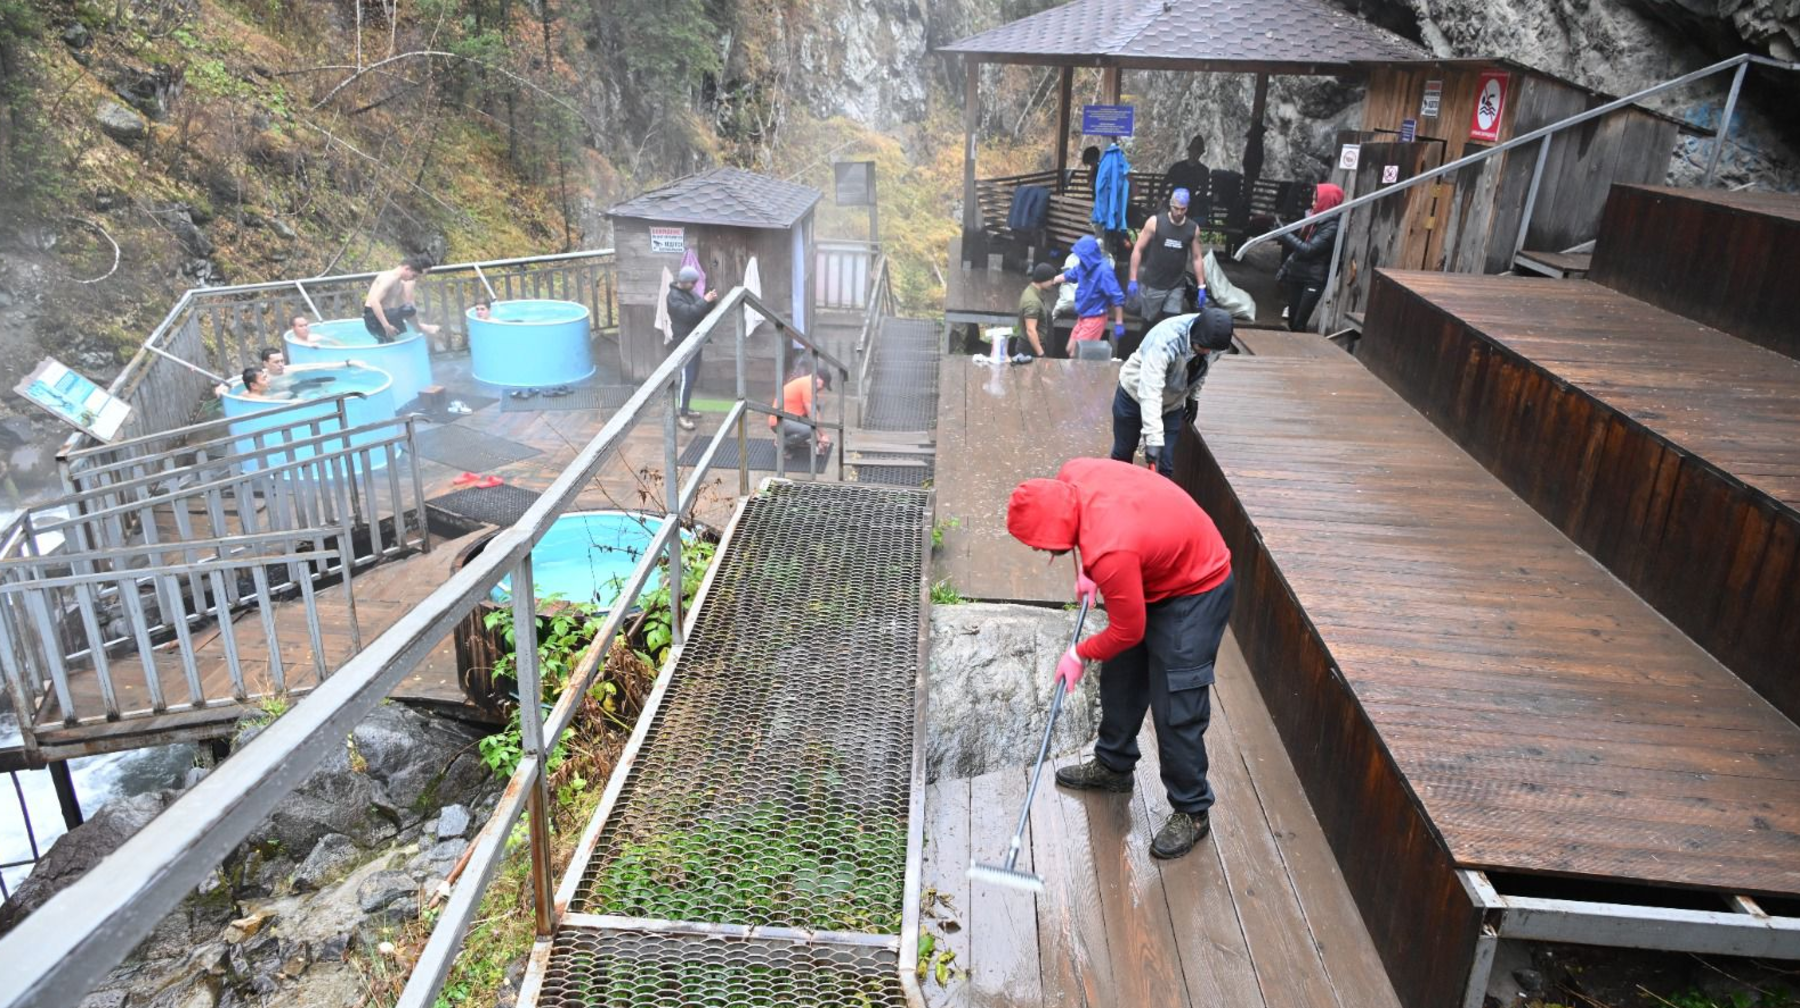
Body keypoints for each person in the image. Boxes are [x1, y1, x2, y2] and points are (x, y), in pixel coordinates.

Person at [1006, 457, 1235, 860]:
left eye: (1042, 545)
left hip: (1197, 585)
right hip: (1151, 569)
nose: (1041, 550)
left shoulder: (1112, 548)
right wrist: (1089, 571)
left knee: (1176, 703)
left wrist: (1079, 652)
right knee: (1122, 675)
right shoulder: (1072, 474)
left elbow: (1127, 629)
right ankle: (1114, 765)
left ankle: (1192, 810)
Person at [1111, 307, 1233, 478]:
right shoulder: (1164, 341)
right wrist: (1153, 440)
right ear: (1194, 334)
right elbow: (1150, 392)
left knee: (1164, 466)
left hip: (1171, 404)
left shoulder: (1214, 343)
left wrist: (1193, 396)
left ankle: (1158, 503)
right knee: (1122, 455)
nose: (1207, 352)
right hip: (1134, 395)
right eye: (1202, 347)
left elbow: (1203, 367)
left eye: (1211, 350)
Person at [1128, 188, 1209, 351]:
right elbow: (1138, 249)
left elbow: (1196, 257)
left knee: (1171, 323)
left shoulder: (1192, 228)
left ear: (1187, 208)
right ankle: (1141, 353)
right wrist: (1133, 279)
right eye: (1175, 208)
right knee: (1148, 324)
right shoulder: (1155, 222)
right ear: (1170, 205)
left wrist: (1201, 286)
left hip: (1176, 284)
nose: (1179, 212)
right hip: (1154, 282)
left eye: (1183, 209)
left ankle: (1165, 357)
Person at [1275, 183, 1345, 333]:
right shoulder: (1313, 221)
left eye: (1316, 200)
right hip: (1298, 274)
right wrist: (1285, 268)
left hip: (1313, 278)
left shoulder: (1332, 227)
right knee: (1292, 320)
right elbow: (1299, 249)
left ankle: (1298, 353)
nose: (1313, 203)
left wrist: (1284, 233)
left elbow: (1308, 249)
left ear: (1326, 202)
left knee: (1300, 322)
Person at [666, 266, 718, 431]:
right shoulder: (673, 297)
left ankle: (685, 407)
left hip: (695, 339)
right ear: (685, 282)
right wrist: (705, 301)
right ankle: (682, 415)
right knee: (687, 378)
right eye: (693, 282)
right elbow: (690, 313)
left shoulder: (689, 293)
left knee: (693, 376)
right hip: (684, 342)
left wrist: (711, 300)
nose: (696, 285)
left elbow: (701, 309)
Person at [1065, 234, 1125, 357]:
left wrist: (1119, 322)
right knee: (1069, 348)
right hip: (1083, 315)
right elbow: (1069, 275)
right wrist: (1049, 280)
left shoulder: (1104, 271)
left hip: (1095, 317)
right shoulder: (1083, 266)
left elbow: (1117, 297)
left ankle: (1077, 375)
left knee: (1075, 354)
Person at [363, 255, 438, 344]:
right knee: (409, 309)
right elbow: (374, 301)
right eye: (414, 275)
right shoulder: (389, 278)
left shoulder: (398, 281)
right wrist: (386, 325)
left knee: (393, 339)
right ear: (407, 269)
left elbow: (398, 302)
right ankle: (419, 328)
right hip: (373, 318)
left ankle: (418, 328)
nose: (413, 279)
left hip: (383, 315)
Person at [767, 367, 831, 455]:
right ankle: (782, 443)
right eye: (823, 385)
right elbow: (813, 414)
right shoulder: (807, 385)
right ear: (817, 378)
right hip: (778, 421)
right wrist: (823, 435)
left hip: (788, 418)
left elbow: (813, 412)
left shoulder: (806, 383)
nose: (822, 388)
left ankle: (796, 440)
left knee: (815, 410)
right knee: (810, 430)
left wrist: (819, 440)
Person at [1015, 263, 1061, 358]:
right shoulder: (1033, 302)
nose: (1053, 282)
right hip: (1030, 350)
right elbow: (1031, 330)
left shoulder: (1031, 290)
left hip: (1030, 346)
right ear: (1042, 280)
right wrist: (1041, 354)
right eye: (1051, 280)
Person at [1163, 134, 1211, 212]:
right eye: (1192, 151)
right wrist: (1161, 199)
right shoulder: (1177, 167)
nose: (1194, 154)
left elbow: (1203, 191)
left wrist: (1193, 202)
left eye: (1197, 152)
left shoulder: (1203, 171)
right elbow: (1165, 182)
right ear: (1189, 151)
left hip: (1190, 204)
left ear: (1200, 154)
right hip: (1173, 201)